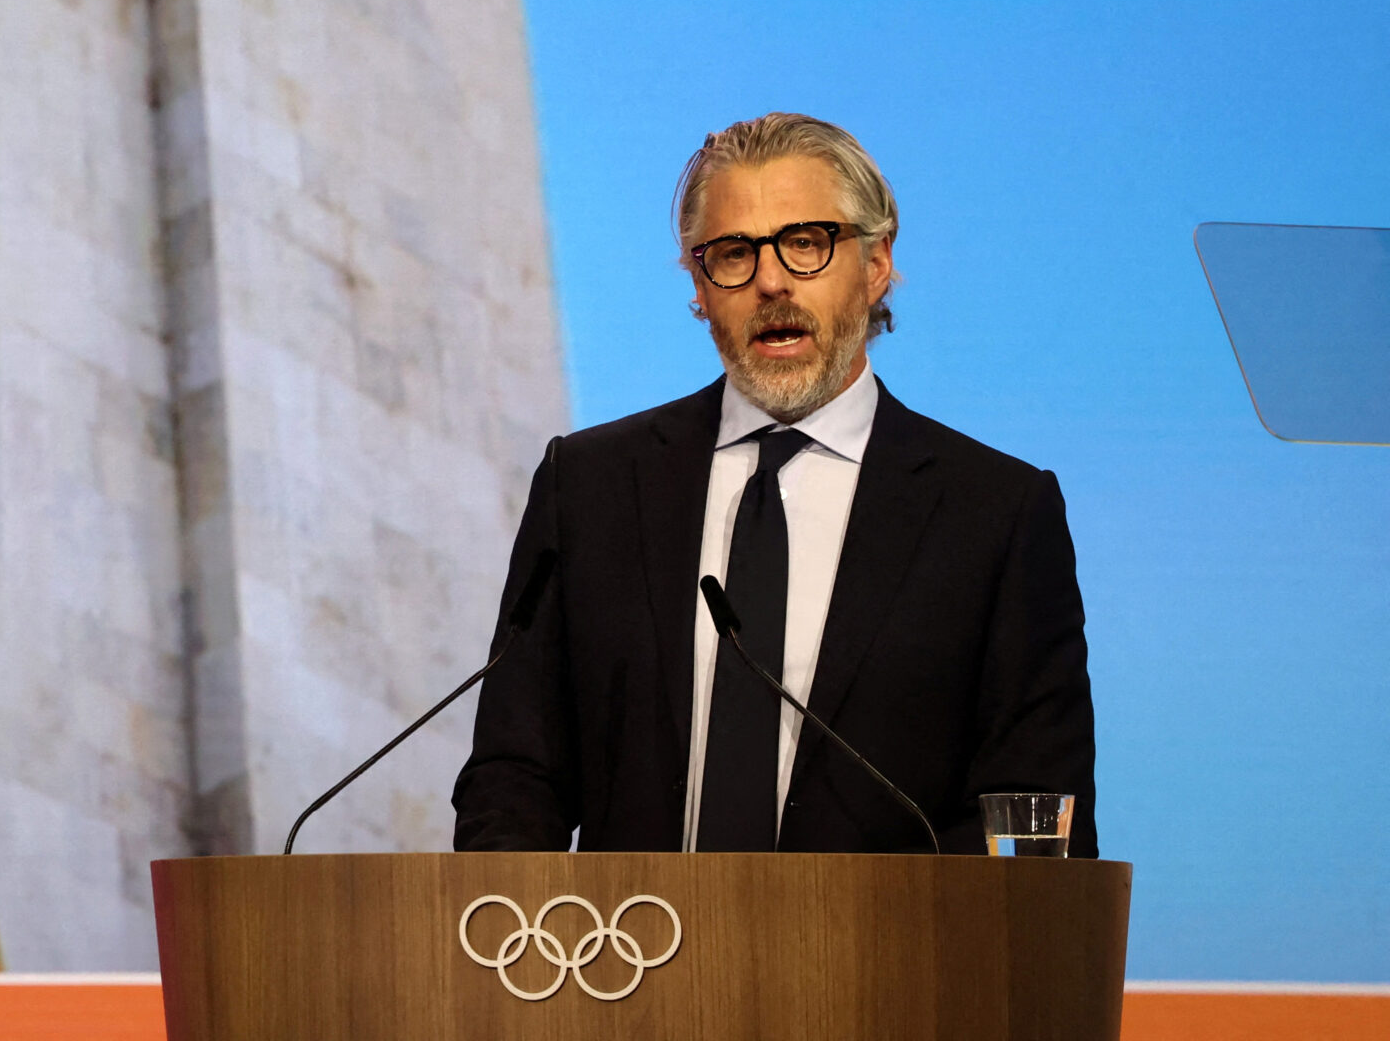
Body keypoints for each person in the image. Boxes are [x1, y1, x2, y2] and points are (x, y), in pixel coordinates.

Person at [453, 113, 1098, 855]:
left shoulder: (995, 515)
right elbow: (514, 774)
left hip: (888, 965)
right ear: (700, 286)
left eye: (806, 244)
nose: (770, 280)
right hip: (629, 962)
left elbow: (1036, 813)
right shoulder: (591, 486)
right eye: (732, 253)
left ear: (877, 262)